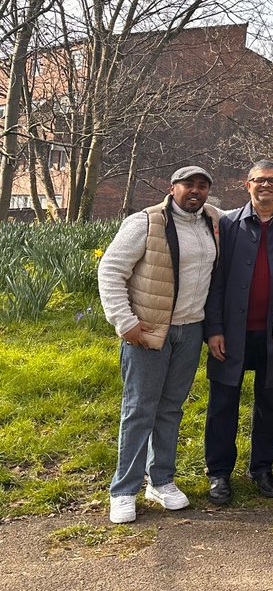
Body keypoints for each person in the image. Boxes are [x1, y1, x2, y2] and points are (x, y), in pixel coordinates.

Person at [99, 166, 221, 524]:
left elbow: (258, 207)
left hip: (190, 330)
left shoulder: (211, 219)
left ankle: (161, 479)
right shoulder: (146, 222)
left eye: (202, 186)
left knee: (171, 408)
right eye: (189, 185)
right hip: (149, 331)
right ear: (173, 188)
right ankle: (123, 490)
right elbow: (110, 270)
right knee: (139, 409)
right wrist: (125, 323)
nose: (195, 191)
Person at [204, 160, 273, 505]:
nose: (265, 186)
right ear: (247, 184)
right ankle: (219, 474)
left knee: (270, 403)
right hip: (233, 332)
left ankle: (262, 468)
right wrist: (214, 329)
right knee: (223, 403)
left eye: (272, 181)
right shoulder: (228, 225)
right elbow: (217, 280)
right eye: (259, 180)